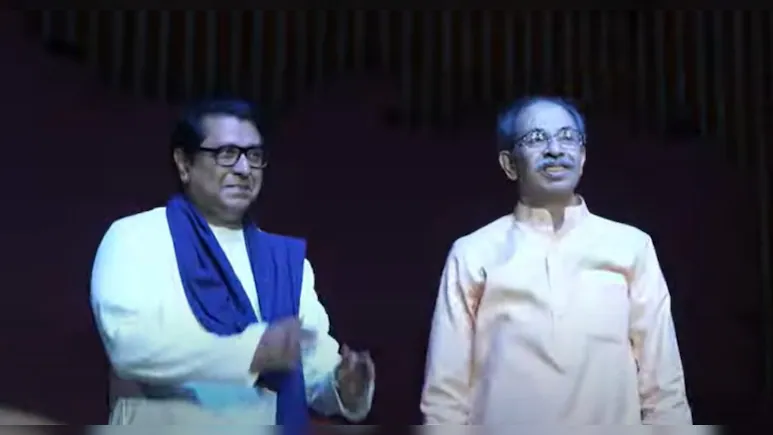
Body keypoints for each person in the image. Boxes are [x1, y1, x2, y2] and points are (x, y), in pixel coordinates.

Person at [90, 99, 375, 426]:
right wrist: (254, 351)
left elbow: (310, 367)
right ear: (184, 163)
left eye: (253, 156)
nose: (243, 169)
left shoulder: (285, 264)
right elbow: (131, 347)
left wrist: (342, 385)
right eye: (226, 153)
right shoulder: (136, 237)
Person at [420, 96, 691, 425]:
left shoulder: (631, 246)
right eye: (536, 139)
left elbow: (664, 385)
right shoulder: (474, 253)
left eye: (567, 137)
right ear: (509, 164)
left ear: (583, 156)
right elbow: (444, 394)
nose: (554, 150)